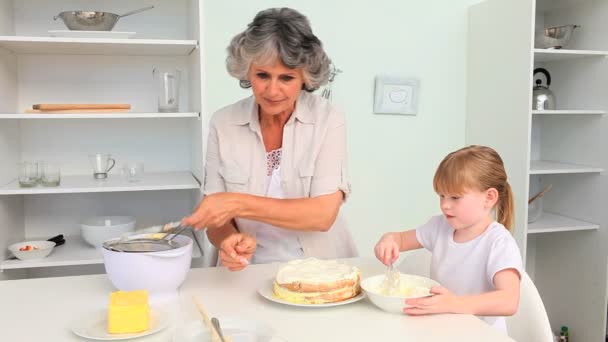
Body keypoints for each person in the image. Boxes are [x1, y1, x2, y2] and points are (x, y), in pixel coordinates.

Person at [183, 7, 357, 270]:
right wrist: (229, 240)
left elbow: (322, 215)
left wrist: (237, 203)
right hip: (243, 272)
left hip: (319, 271)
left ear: (305, 78)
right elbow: (217, 219)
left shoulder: (328, 120)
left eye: (286, 78)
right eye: (262, 75)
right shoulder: (224, 123)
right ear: (247, 71)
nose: (272, 90)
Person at [374, 145, 522, 334]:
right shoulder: (439, 227)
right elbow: (401, 239)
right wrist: (389, 240)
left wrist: (453, 303)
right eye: (442, 196)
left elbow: (509, 301)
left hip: (481, 335)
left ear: (489, 198)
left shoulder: (499, 242)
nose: (445, 205)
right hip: (445, 329)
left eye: (455, 197)